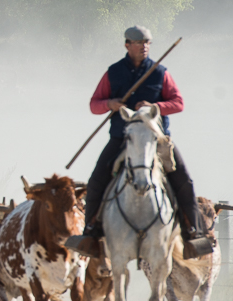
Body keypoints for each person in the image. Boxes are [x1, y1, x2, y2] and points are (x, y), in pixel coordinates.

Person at [68, 25, 212, 259]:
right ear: (127, 45)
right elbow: (94, 104)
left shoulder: (160, 72)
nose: (144, 47)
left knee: (184, 180)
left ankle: (193, 234)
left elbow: (178, 103)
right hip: (122, 138)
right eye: (138, 42)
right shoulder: (113, 72)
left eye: (147, 43)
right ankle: (90, 234)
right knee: (96, 180)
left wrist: (155, 106)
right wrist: (110, 104)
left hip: (157, 139)